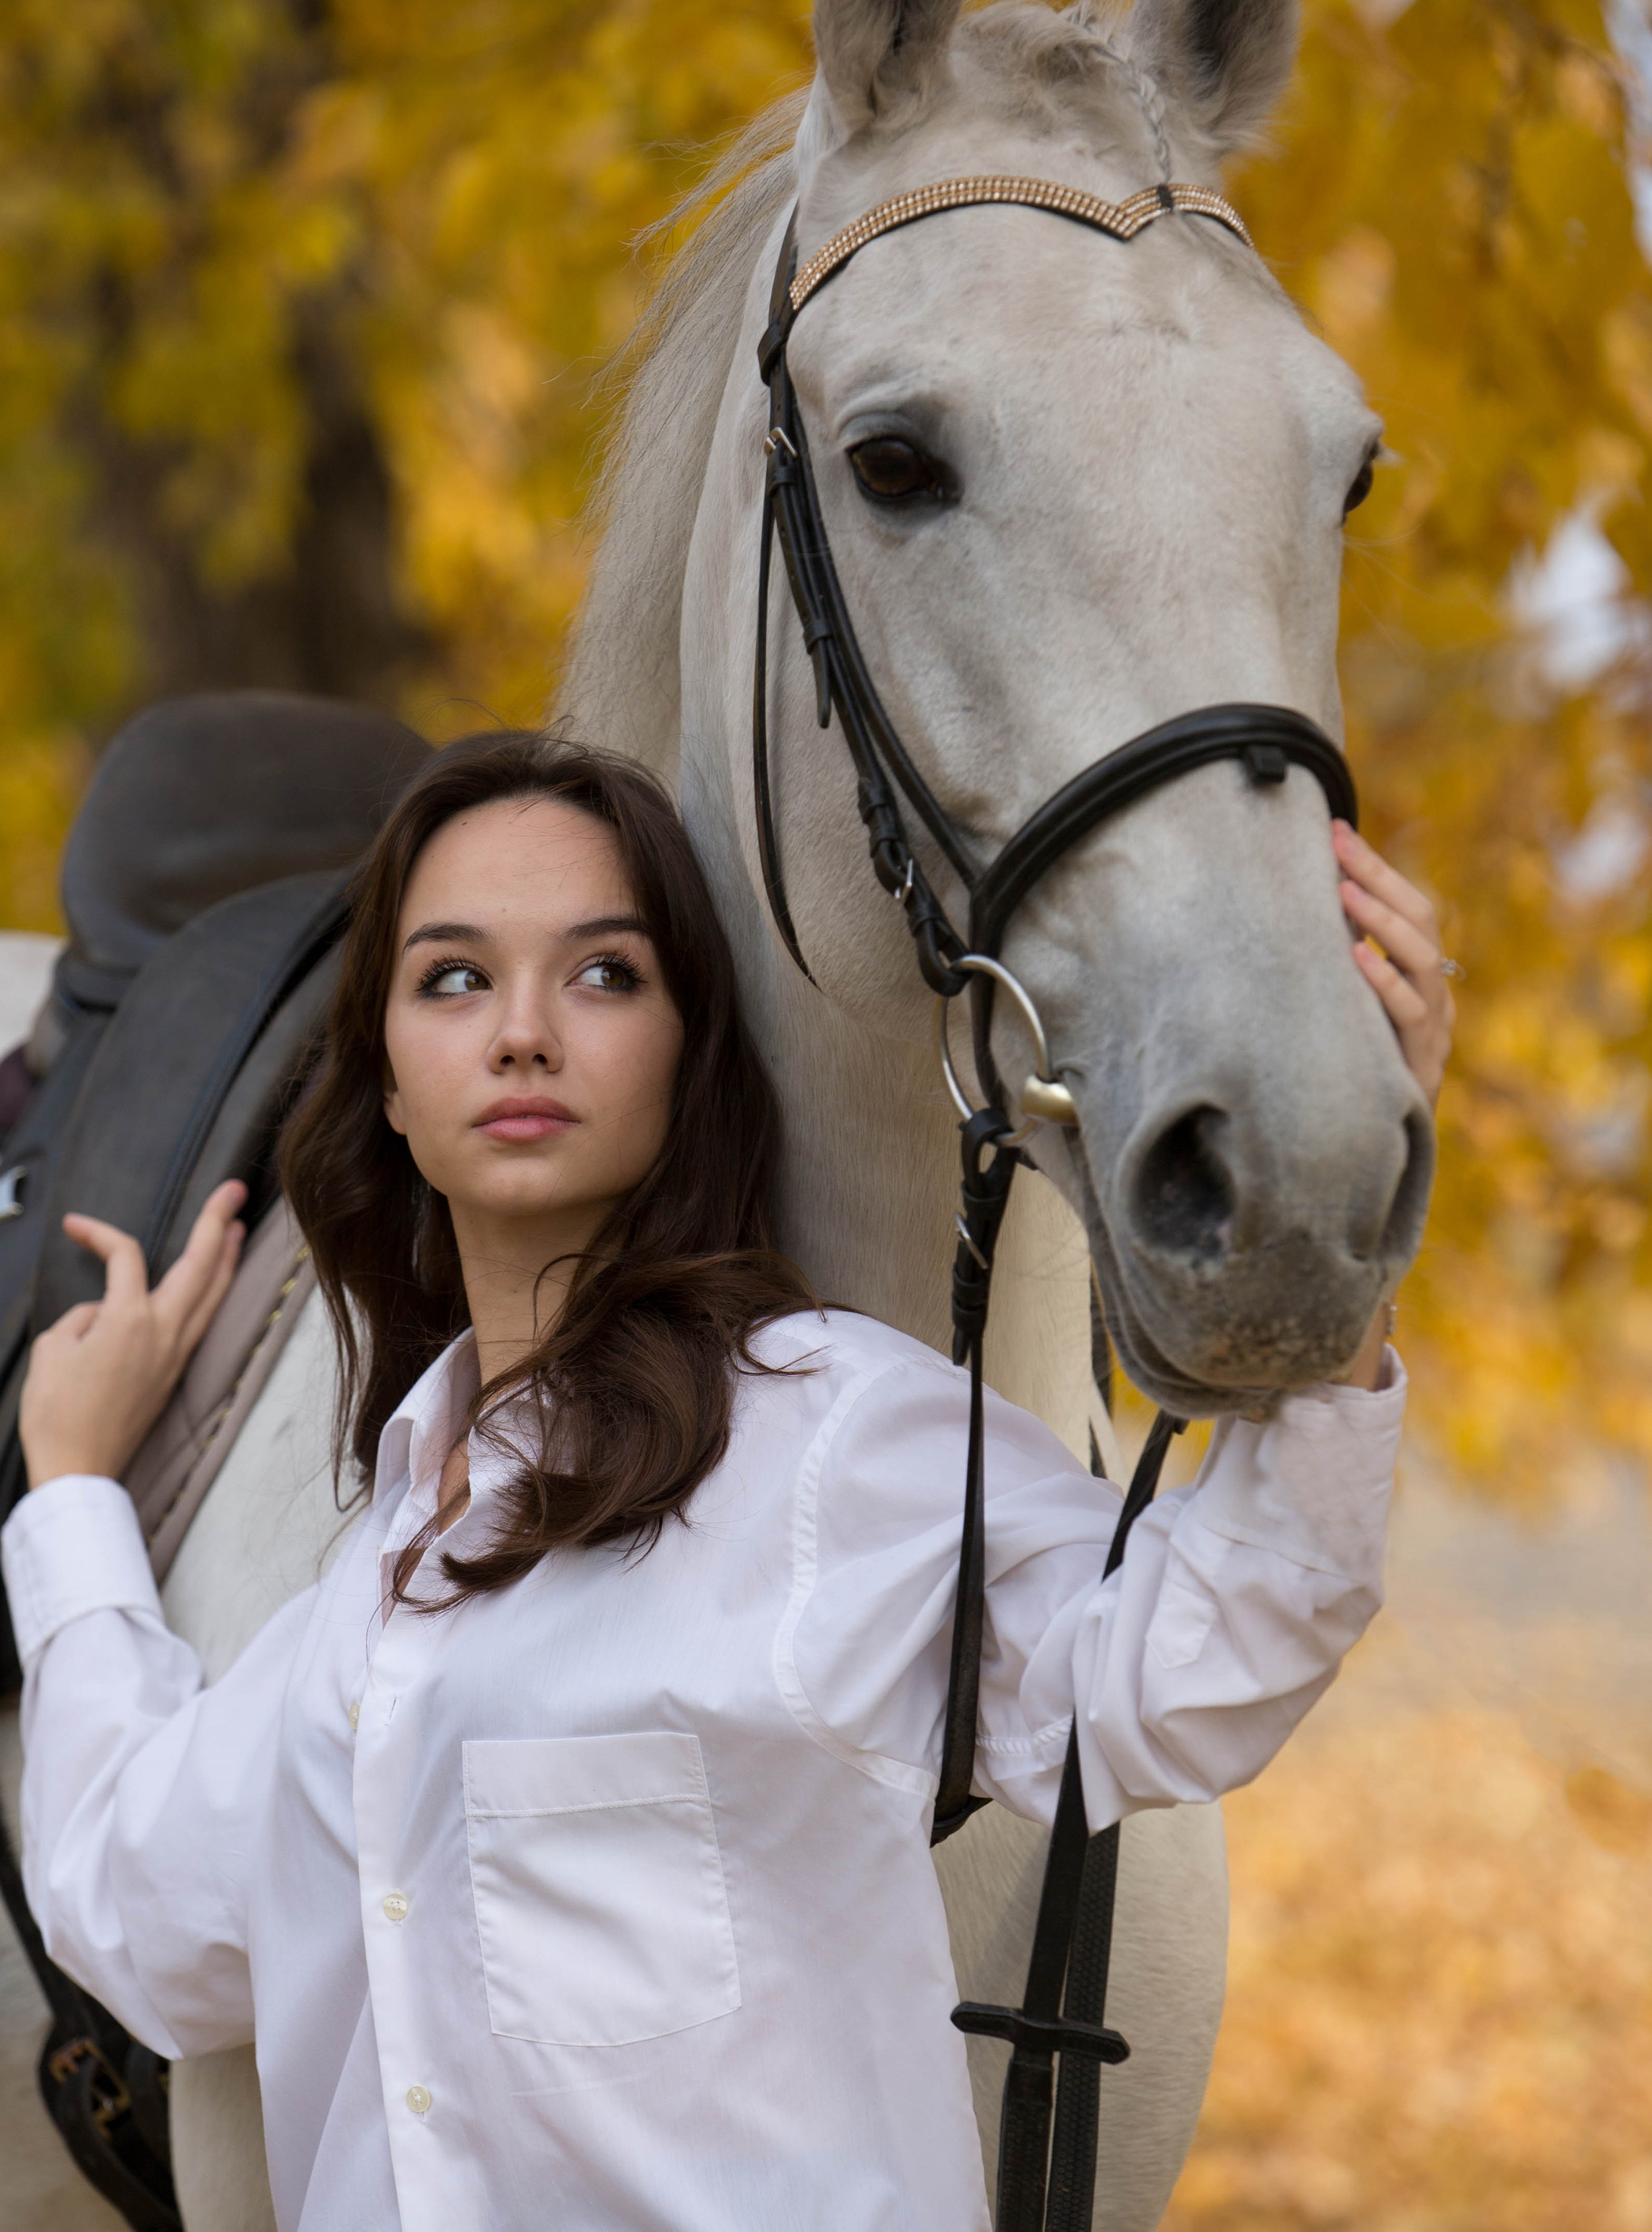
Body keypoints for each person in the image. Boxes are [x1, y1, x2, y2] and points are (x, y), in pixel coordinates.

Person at [1, 732, 1453, 2232]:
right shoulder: (366, 1587)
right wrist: (70, 1492)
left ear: (687, 1051)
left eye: (602, 974)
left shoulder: (827, 1430)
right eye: (451, 978)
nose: (520, 1033)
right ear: (380, 1079)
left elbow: (1207, 1643)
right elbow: (133, 1906)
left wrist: (1351, 1176)